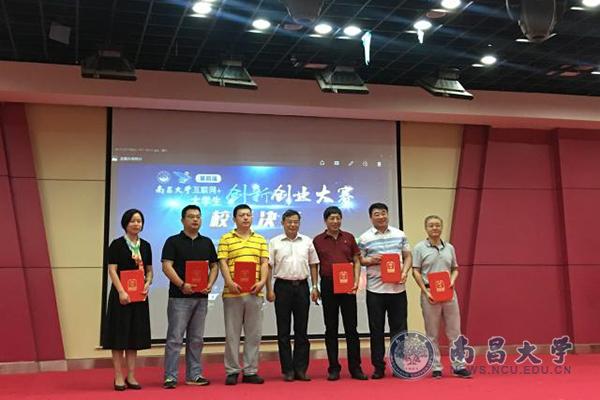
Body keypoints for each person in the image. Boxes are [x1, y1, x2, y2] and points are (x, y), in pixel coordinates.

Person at [161, 205, 219, 389]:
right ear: (182, 220)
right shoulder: (173, 241)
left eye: (198, 217)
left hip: (201, 298)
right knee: (175, 339)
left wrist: (210, 283)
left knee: (196, 339)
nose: (195, 220)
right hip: (179, 297)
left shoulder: (207, 242)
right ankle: (170, 377)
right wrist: (181, 284)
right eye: (191, 216)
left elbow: (214, 266)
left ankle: (194, 375)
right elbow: (166, 266)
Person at [412, 215, 471, 379]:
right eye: (431, 225)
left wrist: (451, 281)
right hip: (430, 293)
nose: (435, 228)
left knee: (455, 332)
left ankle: (459, 365)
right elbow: (415, 271)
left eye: (437, 225)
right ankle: (436, 367)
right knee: (432, 333)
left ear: (441, 227)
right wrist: (426, 291)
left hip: (449, 293)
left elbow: (455, 269)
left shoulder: (449, 248)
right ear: (426, 228)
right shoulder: (419, 248)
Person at [357, 202, 412, 379]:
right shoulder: (364, 238)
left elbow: (408, 256)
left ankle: (399, 366)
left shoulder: (399, 234)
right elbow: (360, 260)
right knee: (376, 330)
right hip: (375, 291)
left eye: (383, 213)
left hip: (398, 289)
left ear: (388, 214)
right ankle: (378, 367)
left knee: (400, 330)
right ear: (370, 217)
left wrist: (405, 272)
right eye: (377, 214)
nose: (381, 217)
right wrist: (371, 260)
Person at [312, 206, 367, 381]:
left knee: (352, 328)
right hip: (328, 284)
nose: (335, 221)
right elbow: (314, 265)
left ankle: (355, 368)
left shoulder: (349, 237)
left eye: (338, 218)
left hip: (347, 284)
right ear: (325, 221)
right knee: (331, 328)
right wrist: (315, 286)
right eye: (332, 218)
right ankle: (333, 368)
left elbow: (356, 261)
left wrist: (356, 281)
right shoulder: (318, 240)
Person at [218, 204, 269, 385]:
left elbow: (264, 263)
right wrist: (229, 282)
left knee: (254, 334)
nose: (246, 218)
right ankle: (232, 370)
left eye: (248, 215)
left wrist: (262, 282)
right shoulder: (226, 238)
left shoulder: (260, 239)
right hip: (233, 293)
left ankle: (250, 371)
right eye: (241, 215)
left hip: (255, 292)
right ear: (234, 219)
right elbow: (223, 263)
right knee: (232, 334)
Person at [266, 209, 320, 382]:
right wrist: (269, 289)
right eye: (289, 221)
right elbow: (268, 267)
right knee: (283, 331)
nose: (293, 225)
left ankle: (301, 369)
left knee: (301, 330)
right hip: (282, 287)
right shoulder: (274, 242)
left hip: (302, 286)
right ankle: (288, 370)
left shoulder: (307, 241)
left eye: (296, 221)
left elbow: (313, 265)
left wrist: (315, 287)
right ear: (283, 223)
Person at [103, 209, 153, 391]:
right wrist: (121, 292)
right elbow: (112, 270)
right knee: (118, 337)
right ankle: (118, 376)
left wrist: (148, 283)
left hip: (139, 297)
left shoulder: (145, 245)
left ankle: (131, 375)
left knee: (134, 337)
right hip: (121, 297)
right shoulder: (117, 244)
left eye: (139, 221)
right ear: (125, 223)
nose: (136, 224)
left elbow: (149, 270)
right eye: (132, 221)